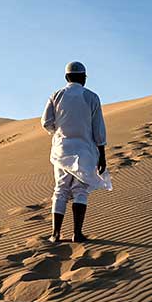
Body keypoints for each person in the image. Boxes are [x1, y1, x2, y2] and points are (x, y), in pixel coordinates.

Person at [41, 61, 111, 243]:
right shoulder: (92, 97)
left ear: (66, 77)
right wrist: (102, 153)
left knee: (61, 189)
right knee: (80, 190)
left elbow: (46, 122)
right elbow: (99, 128)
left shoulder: (56, 96)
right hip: (85, 150)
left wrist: (58, 131)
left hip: (61, 149)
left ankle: (55, 234)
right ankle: (77, 234)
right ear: (84, 78)